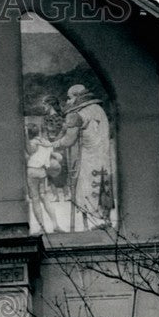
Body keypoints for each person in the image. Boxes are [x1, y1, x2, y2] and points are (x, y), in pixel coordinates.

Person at [52, 84, 113, 230]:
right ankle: (104, 220)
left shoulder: (79, 114)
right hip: (103, 157)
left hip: (88, 159)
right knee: (102, 188)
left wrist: (52, 145)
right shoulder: (98, 110)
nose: (67, 102)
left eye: (69, 98)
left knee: (88, 192)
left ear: (76, 97)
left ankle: (92, 225)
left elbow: (68, 140)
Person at [25, 124, 62, 234]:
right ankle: (55, 224)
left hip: (32, 171)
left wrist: (25, 137)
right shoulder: (47, 143)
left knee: (35, 200)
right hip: (42, 171)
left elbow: (30, 151)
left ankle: (42, 228)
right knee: (44, 198)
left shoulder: (32, 143)